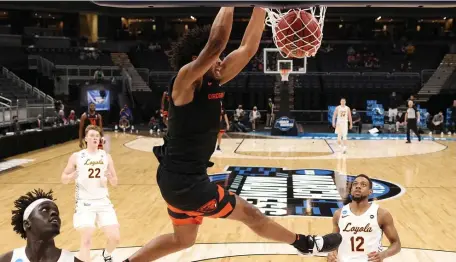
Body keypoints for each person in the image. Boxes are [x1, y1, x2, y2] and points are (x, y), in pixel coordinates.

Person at [125, 7, 341, 262]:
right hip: (186, 184)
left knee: (182, 239)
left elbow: (248, 48)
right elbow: (216, 44)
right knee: (252, 215)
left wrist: (260, 7)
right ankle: (305, 243)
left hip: (177, 178)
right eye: (216, 58)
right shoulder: (184, 81)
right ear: (198, 58)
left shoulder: (213, 77)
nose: (221, 62)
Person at [62, 125, 120, 262]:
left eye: (97, 136)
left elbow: (115, 182)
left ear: (100, 139)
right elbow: (63, 178)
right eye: (92, 135)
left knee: (115, 238)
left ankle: (106, 254)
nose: (94, 138)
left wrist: (111, 177)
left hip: (103, 202)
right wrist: (71, 177)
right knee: (86, 240)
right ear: (86, 138)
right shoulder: (77, 157)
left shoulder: (106, 156)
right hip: (84, 203)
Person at [327, 174, 401, 262]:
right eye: (355, 184)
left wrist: (383, 255)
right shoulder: (338, 214)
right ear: (351, 190)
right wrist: (331, 253)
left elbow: (396, 244)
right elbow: (334, 244)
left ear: (370, 192)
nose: (358, 186)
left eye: (363, 184)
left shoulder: (381, 214)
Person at [0, 189, 80, 262]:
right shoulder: (7, 259)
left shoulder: (72, 260)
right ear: (27, 224)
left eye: (57, 212)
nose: (54, 213)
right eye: (44, 210)